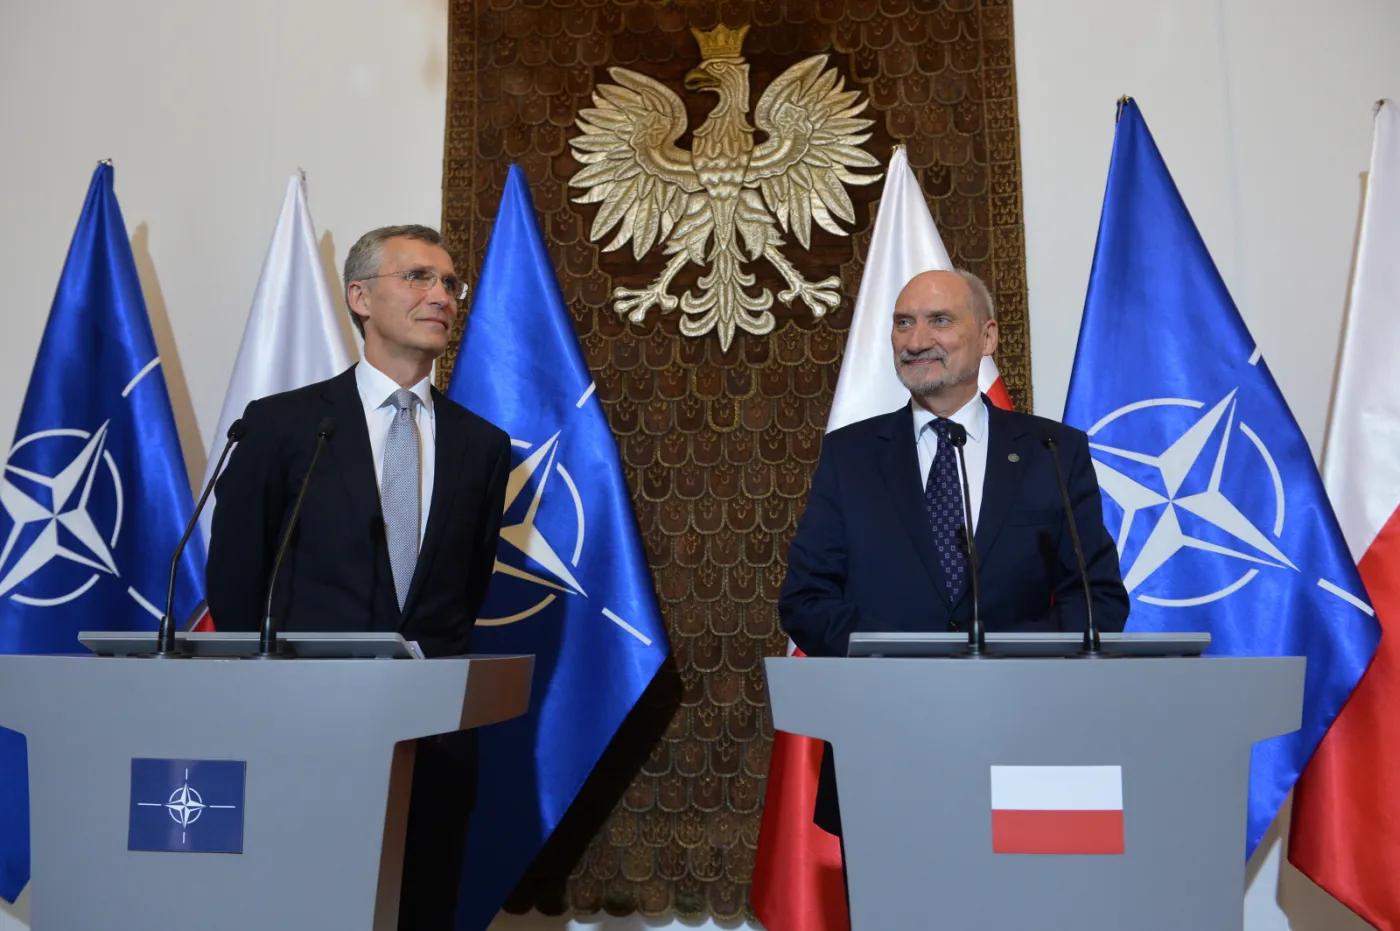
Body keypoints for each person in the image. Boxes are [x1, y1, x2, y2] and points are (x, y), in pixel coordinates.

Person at [206, 224, 511, 929]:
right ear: (361, 297)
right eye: (418, 277)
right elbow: (236, 582)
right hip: (305, 732)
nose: (442, 295)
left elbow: (463, 592)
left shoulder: (482, 444)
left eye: (450, 283)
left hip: (433, 744)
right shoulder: (283, 426)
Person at [778, 268, 1130, 836]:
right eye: (903, 324)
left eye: (939, 320)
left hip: (1028, 741)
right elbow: (806, 600)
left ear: (987, 337)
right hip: (885, 747)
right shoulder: (851, 455)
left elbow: (1098, 602)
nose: (917, 340)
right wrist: (905, 662)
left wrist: (997, 665)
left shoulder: (1052, 451)